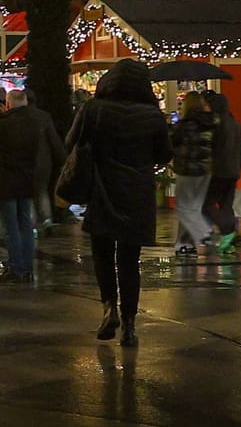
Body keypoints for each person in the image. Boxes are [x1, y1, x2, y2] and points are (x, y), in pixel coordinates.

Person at [69, 59, 171, 347]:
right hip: (137, 194)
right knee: (129, 261)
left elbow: (71, 143)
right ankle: (129, 324)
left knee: (102, 254)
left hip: (102, 190)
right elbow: (164, 154)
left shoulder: (93, 109)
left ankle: (108, 308)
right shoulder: (152, 115)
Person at [0, 89, 65, 282]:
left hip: (5, 181)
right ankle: (27, 268)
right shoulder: (38, 121)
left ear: (9, 103)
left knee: (10, 227)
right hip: (29, 178)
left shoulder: (2, 124)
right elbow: (55, 148)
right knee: (26, 224)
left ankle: (16, 268)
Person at [169, 91, 218, 256]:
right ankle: (184, 244)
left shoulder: (184, 125)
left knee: (183, 207)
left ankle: (204, 234)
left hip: (187, 169)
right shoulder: (212, 122)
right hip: (206, 169)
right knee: (194, 207)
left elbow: (173, 143)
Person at [203, 90, 241, 254]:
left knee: (207, 205)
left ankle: (228, 230)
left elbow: (213, 148)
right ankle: (229, 240)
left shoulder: (216, 124)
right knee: (226, 204)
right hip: (233, 170)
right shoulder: (235, 124)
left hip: (219, 170)